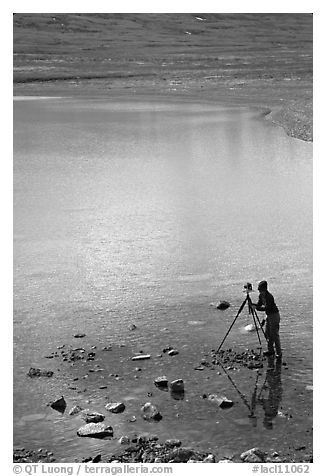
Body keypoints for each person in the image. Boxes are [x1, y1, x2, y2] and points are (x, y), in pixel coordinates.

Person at [253, 280, 282, 359]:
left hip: (274, 315)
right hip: (268, 315)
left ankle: (279, 353)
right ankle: (271, 350)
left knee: (274, 335)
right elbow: (259, 305)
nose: (259, 291)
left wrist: (257, 308)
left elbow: (267, 308)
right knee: (267, 334)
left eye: (260, 290)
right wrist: (253, 305)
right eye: (258, 289)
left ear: (265, 289)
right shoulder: (261, 296)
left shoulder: (269, 297)